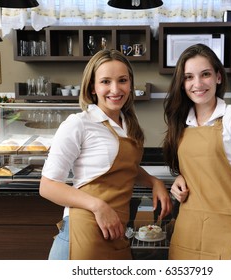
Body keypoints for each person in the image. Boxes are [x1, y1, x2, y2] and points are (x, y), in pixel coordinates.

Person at [40, 49, 172, 260]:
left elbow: (125, 168)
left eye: (122, 80)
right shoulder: (79, 123)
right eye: (105, 81)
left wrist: (153, 181)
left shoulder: (128, 125)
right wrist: (98, 206)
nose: (115, 89)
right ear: (92, 87)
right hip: (83, 233)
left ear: (130, 84)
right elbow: (47, 186)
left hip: (116, 231)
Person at [162, 44, 231, 260]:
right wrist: (182, 177)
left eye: (205, 74)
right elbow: (200, 169)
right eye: (189, 77)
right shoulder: (182, 123)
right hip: (187, 237)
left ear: (218, 77)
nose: (197, 84)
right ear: (182, 83)